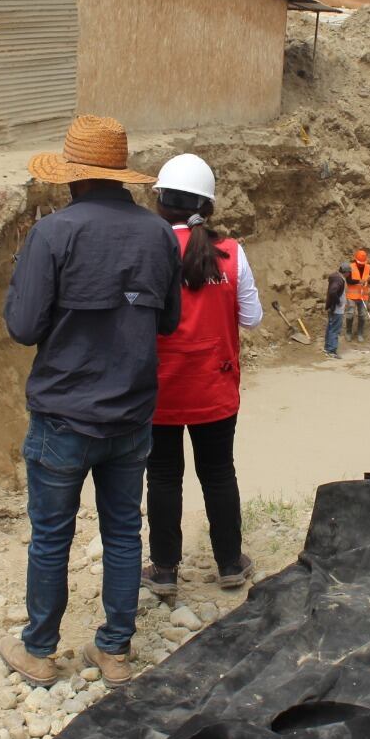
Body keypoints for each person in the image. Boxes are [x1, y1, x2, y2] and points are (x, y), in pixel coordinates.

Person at [2, 115, 182, 689]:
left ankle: (39, 650)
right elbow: (170, 322)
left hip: (64, 416)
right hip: (131, 416)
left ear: (72, 177)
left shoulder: (53, 234)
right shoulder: (157, 234)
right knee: (124, 531)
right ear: (120, 175)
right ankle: (115, 651)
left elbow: (24, 328)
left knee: (53, 535)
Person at [140, 154, 263, 605]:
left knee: (164, 479)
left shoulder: (148, 251)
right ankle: (230, 562)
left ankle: (165, 569)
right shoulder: (231, 254)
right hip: (215, 387)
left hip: (160, 389)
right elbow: (251, 317)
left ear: (160, 203)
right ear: (207, 206)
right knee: (218, 474)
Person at [345, 249, 370, 341]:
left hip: (363, 296)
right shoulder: (351, 266)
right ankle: (348, 332)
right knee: (350, 314)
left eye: (363, 263)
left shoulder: (368, 267)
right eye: (359, 263)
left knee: (362, 315)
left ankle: (360, 333)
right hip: (352, 296)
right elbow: (348, 280)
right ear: (355, 260)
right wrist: (359, 281)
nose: (361, 264)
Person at [323, 263, 349, 358]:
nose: (349, 274)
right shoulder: (339, 279)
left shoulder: (336, 277)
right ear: (345, 272)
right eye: (349, 272)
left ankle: (327, 348)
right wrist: (338, 302)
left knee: (330, 328)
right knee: (334, 329)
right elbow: (333, 292)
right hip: (337, 309)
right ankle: (331, 351)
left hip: (333, 308)